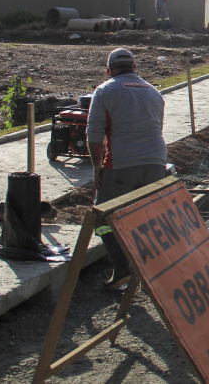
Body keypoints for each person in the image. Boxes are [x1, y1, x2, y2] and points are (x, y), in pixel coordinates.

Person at [87, 48, 168, 289]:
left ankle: (122, 270)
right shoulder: (154, 92)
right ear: (134, 68)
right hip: (156, 162)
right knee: (147, 217)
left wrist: (96, 167)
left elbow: (94, 134)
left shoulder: (105, 90)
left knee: (103, 216)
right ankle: (152, 272)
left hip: (121, 163)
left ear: (108, 70)